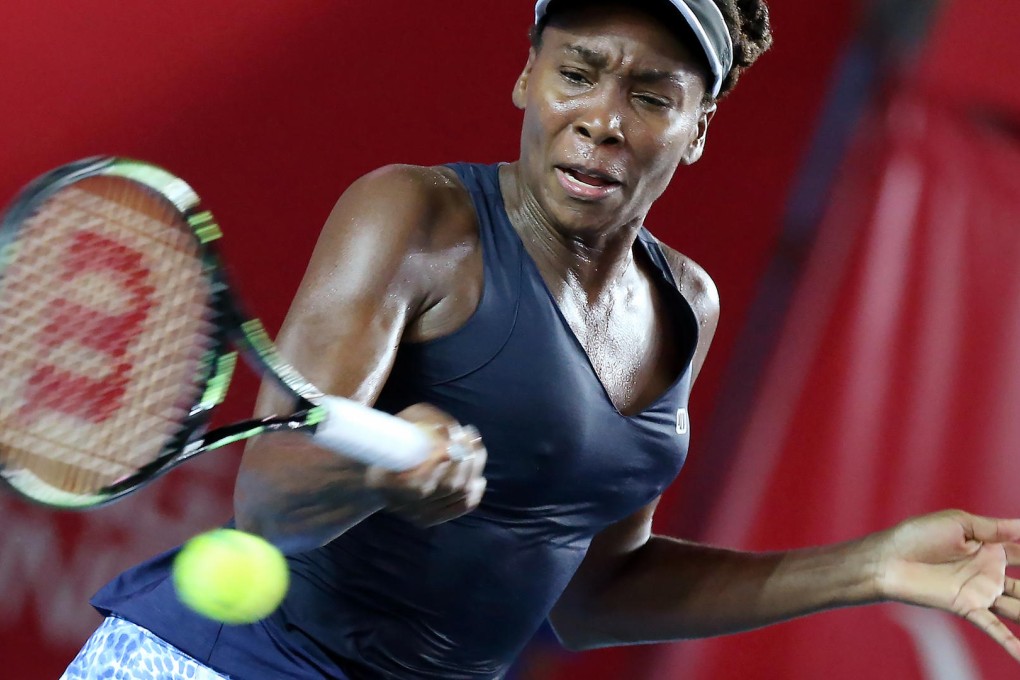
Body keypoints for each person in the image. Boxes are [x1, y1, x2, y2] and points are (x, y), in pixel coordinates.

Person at [63, 0, 1020, 678]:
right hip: (219, 666)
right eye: (578, 73)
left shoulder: (686, 307)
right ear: (527, 74)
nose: (602, 120)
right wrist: (377, 473)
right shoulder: (416, 217)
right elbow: (268, 501)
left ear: (697, 126)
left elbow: (596, 595)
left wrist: (876, 566)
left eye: (652, 96)